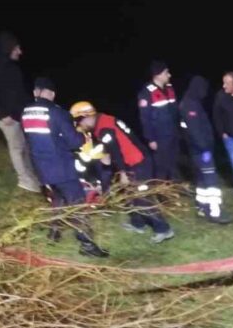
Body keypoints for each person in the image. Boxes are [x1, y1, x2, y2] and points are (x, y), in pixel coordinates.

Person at [21, 78, 109, 258]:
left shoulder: (26, 113)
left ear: (36, 92)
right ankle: (86, 244)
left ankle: (54, 233)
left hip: (42, 169)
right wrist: (83, 138)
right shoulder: (57, 113)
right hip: (62, 169)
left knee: (58, 200)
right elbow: (74, 141)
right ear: (51, 93)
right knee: (77, 204)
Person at [70, 101, 174, 244]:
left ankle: (163, 229)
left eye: (79, 122)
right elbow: (115, 144)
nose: (81, 126)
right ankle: (138, 224)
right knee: (130, 195)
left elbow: (116, 151)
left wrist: (123, 173)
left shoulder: (104, 128)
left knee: (142, 198)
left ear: (86, 117)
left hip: (138, 163)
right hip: (135, 160)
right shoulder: (106, 120)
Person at [0, 31, 41, 194]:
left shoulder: (12, 67)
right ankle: (24, 180)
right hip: (5, 117)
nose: (20, 52)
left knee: (26, 146)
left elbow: (19, 93)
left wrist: (33, 106)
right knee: (16, 147)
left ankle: (33, 176)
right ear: (8, 48)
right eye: (17, 49)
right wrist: (1, 114)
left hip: (18, 114)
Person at [180, 75, 232, 224]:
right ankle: (216, 212)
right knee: (211, 181)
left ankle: (203, 207)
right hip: (201, 151)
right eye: (203, 89)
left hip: (196, 151)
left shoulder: (191, 102)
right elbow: (195, 131)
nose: (205, 92)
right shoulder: (190, 105)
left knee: (202, 180)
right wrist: (206, 149)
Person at [137, 61, 180, 181]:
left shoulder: (170, 88)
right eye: (166, 72)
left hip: (173, 134)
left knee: (173, 163)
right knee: (161, 167)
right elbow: (145, 119)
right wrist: (150, 139)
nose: (169, 75)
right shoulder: (146, 93)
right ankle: (162, 195)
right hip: (160, 137)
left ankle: (175, 191)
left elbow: (175, 112)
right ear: (158, 74)